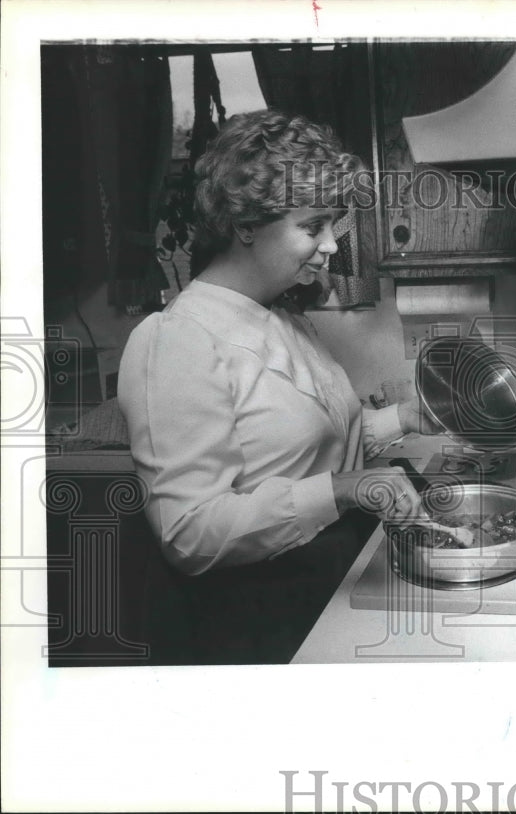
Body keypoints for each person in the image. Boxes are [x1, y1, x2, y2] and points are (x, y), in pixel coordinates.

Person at [117, 110, 433, 662]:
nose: (332, 245)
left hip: (327, 584)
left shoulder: (285, 319)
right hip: (257, 623)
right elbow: (188, 533)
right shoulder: (177, 339)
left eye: (333, 224)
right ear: (245, 226)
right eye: (313, 226)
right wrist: (342, 489)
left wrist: (404, 419)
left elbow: (311, 447)